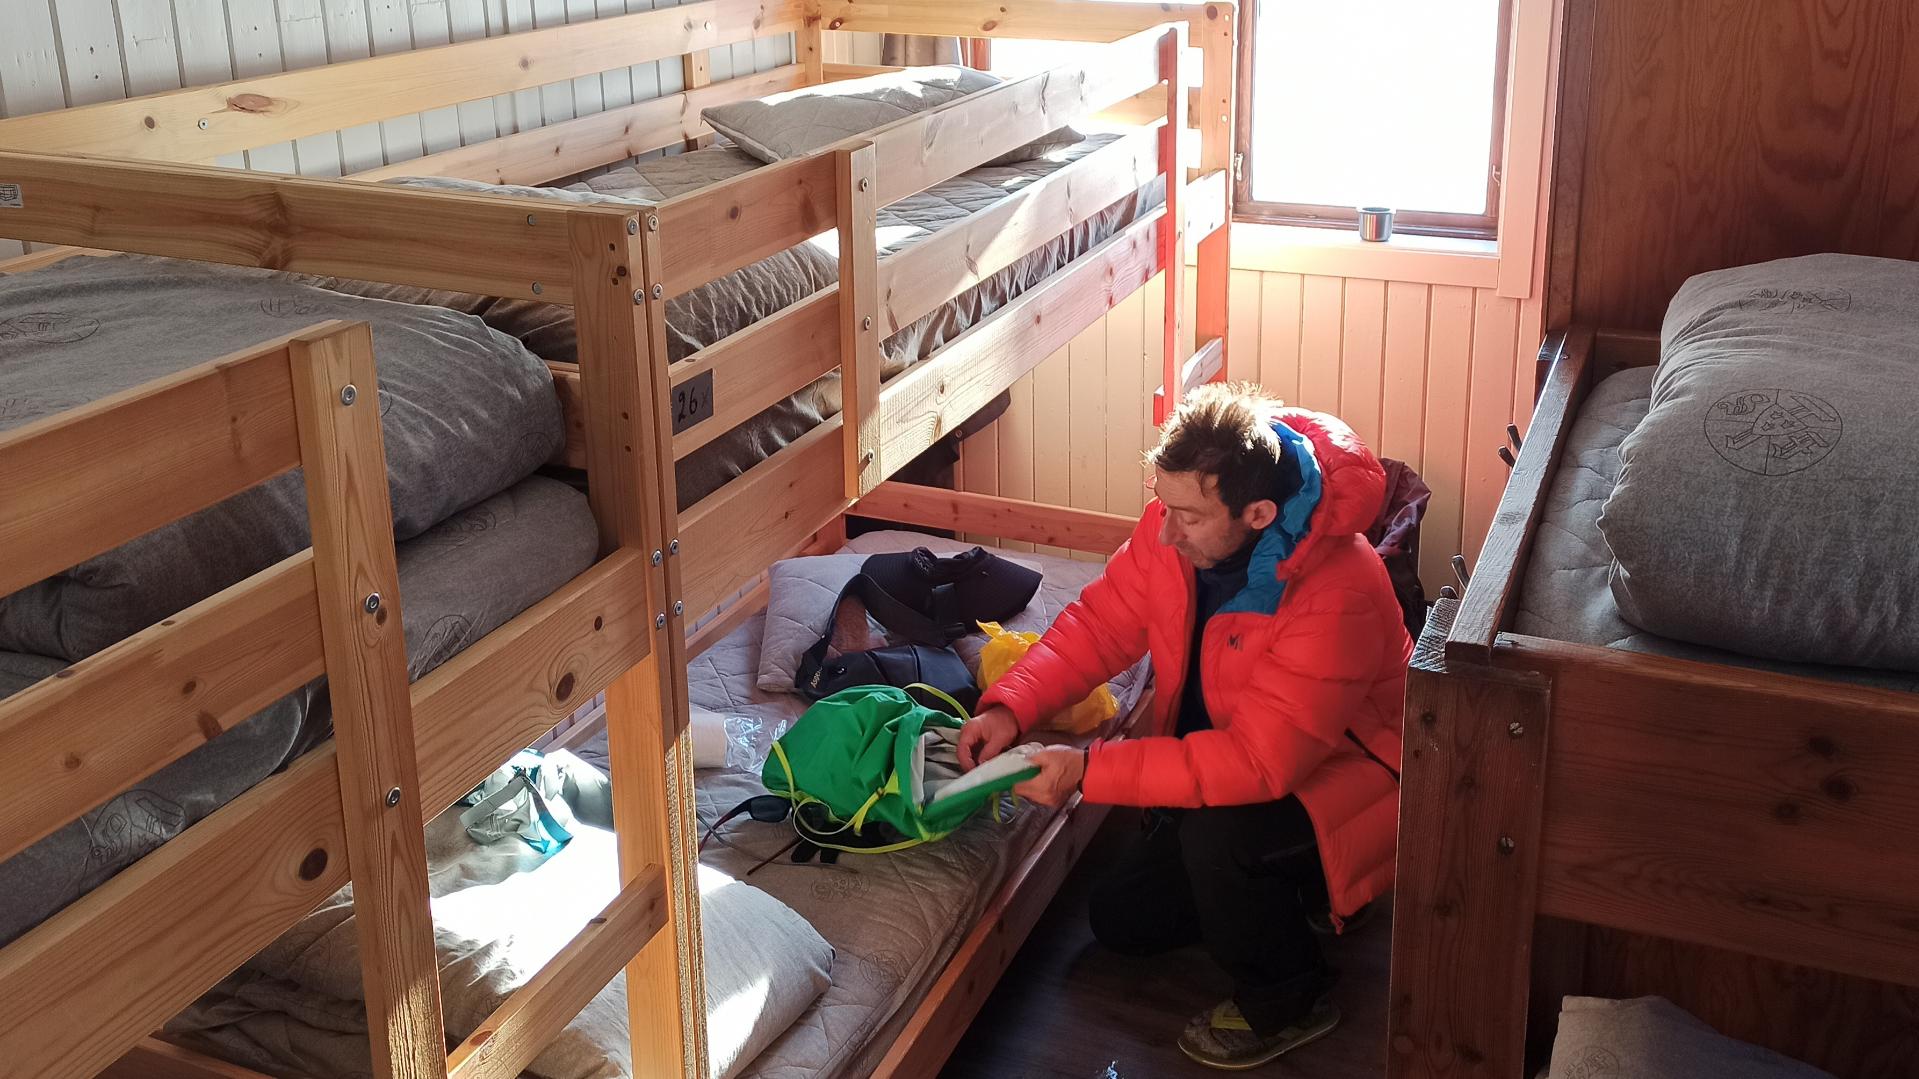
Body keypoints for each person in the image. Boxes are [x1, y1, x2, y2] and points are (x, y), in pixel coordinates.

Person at [957, 382, 1409, 1070]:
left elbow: (1258, 765)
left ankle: (1290, 996)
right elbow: (1100, 625)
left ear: (1258, 514)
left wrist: (1088, 770)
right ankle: (1298, 891)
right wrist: (1009, 704)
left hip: (1354, 776)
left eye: (1188, 516)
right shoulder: (1173, 532)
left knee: (1218, 836)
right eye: (1162, 505)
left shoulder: (1335, 589)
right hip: (1240, 761)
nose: (1165, 531)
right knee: (1121, 921)